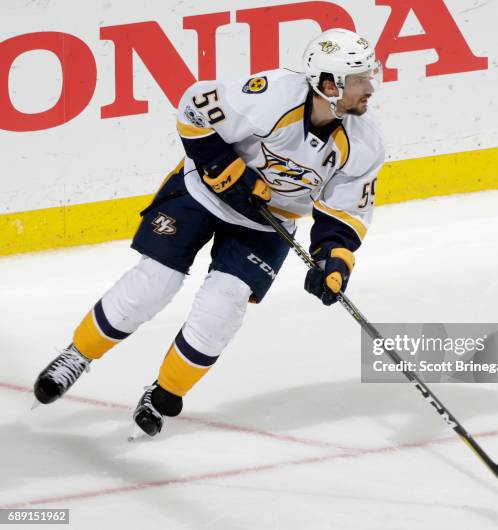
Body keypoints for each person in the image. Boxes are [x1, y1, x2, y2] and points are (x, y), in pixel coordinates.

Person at [33, 28, 386, 437]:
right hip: (202, 192)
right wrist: (225, 170)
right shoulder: (268, 96)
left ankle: (163, 392)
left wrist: (334, 258)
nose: (370, 88)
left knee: (224, 307)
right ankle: (77, 356)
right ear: (329, 85)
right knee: (155, 282)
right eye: (360, 79)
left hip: (265, 221)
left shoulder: (365, 141)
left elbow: (344, 210)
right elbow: (193, 110)